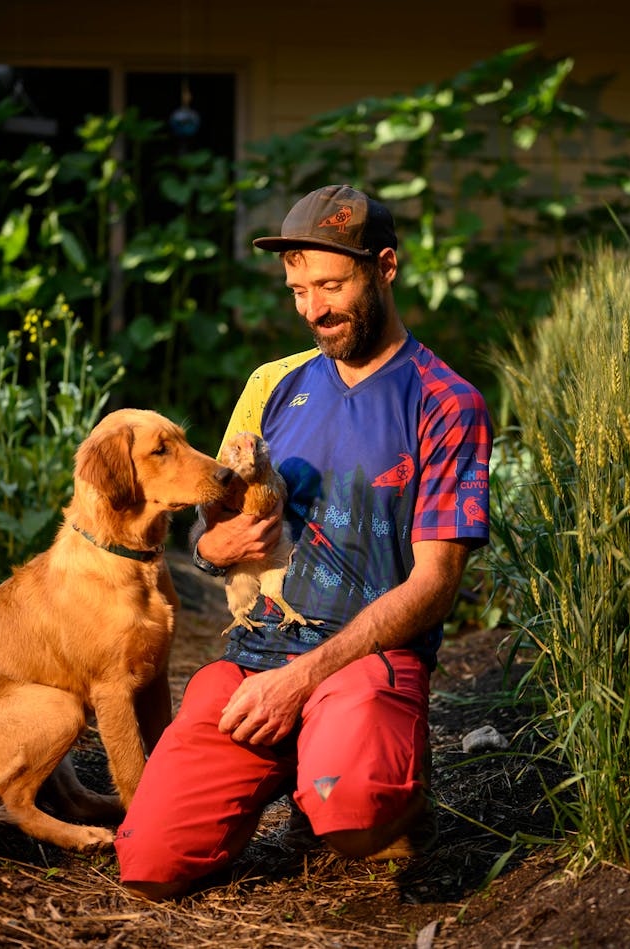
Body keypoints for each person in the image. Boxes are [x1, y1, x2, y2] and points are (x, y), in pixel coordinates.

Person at [114, 184, 493, 901]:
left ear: (384, 267)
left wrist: (301, 681)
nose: (313, 309)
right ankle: (289, 763)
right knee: (149, 862)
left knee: (355, 814)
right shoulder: (273, 384)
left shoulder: (448, 402)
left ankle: (379, 787)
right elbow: (210, 526)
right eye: (297, 290)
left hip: (365, 658)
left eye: (330, 285)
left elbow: (436, 582)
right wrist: (215, 548)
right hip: (255, 656)